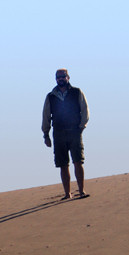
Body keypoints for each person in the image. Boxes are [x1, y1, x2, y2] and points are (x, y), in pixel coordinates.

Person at [42, 68, 90, 199]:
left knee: (78, 161)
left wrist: (81, 127)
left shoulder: (76, 92)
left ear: (68, 77)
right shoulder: (51, 96)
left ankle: (81, 191)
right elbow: (46, 116)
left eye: (62, 76)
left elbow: (85, 109)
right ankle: (67, 194)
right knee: (62, 164)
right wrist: (45, 134)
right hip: (58, 133)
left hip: (75, 132)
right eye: (58, 77)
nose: (60, 79)